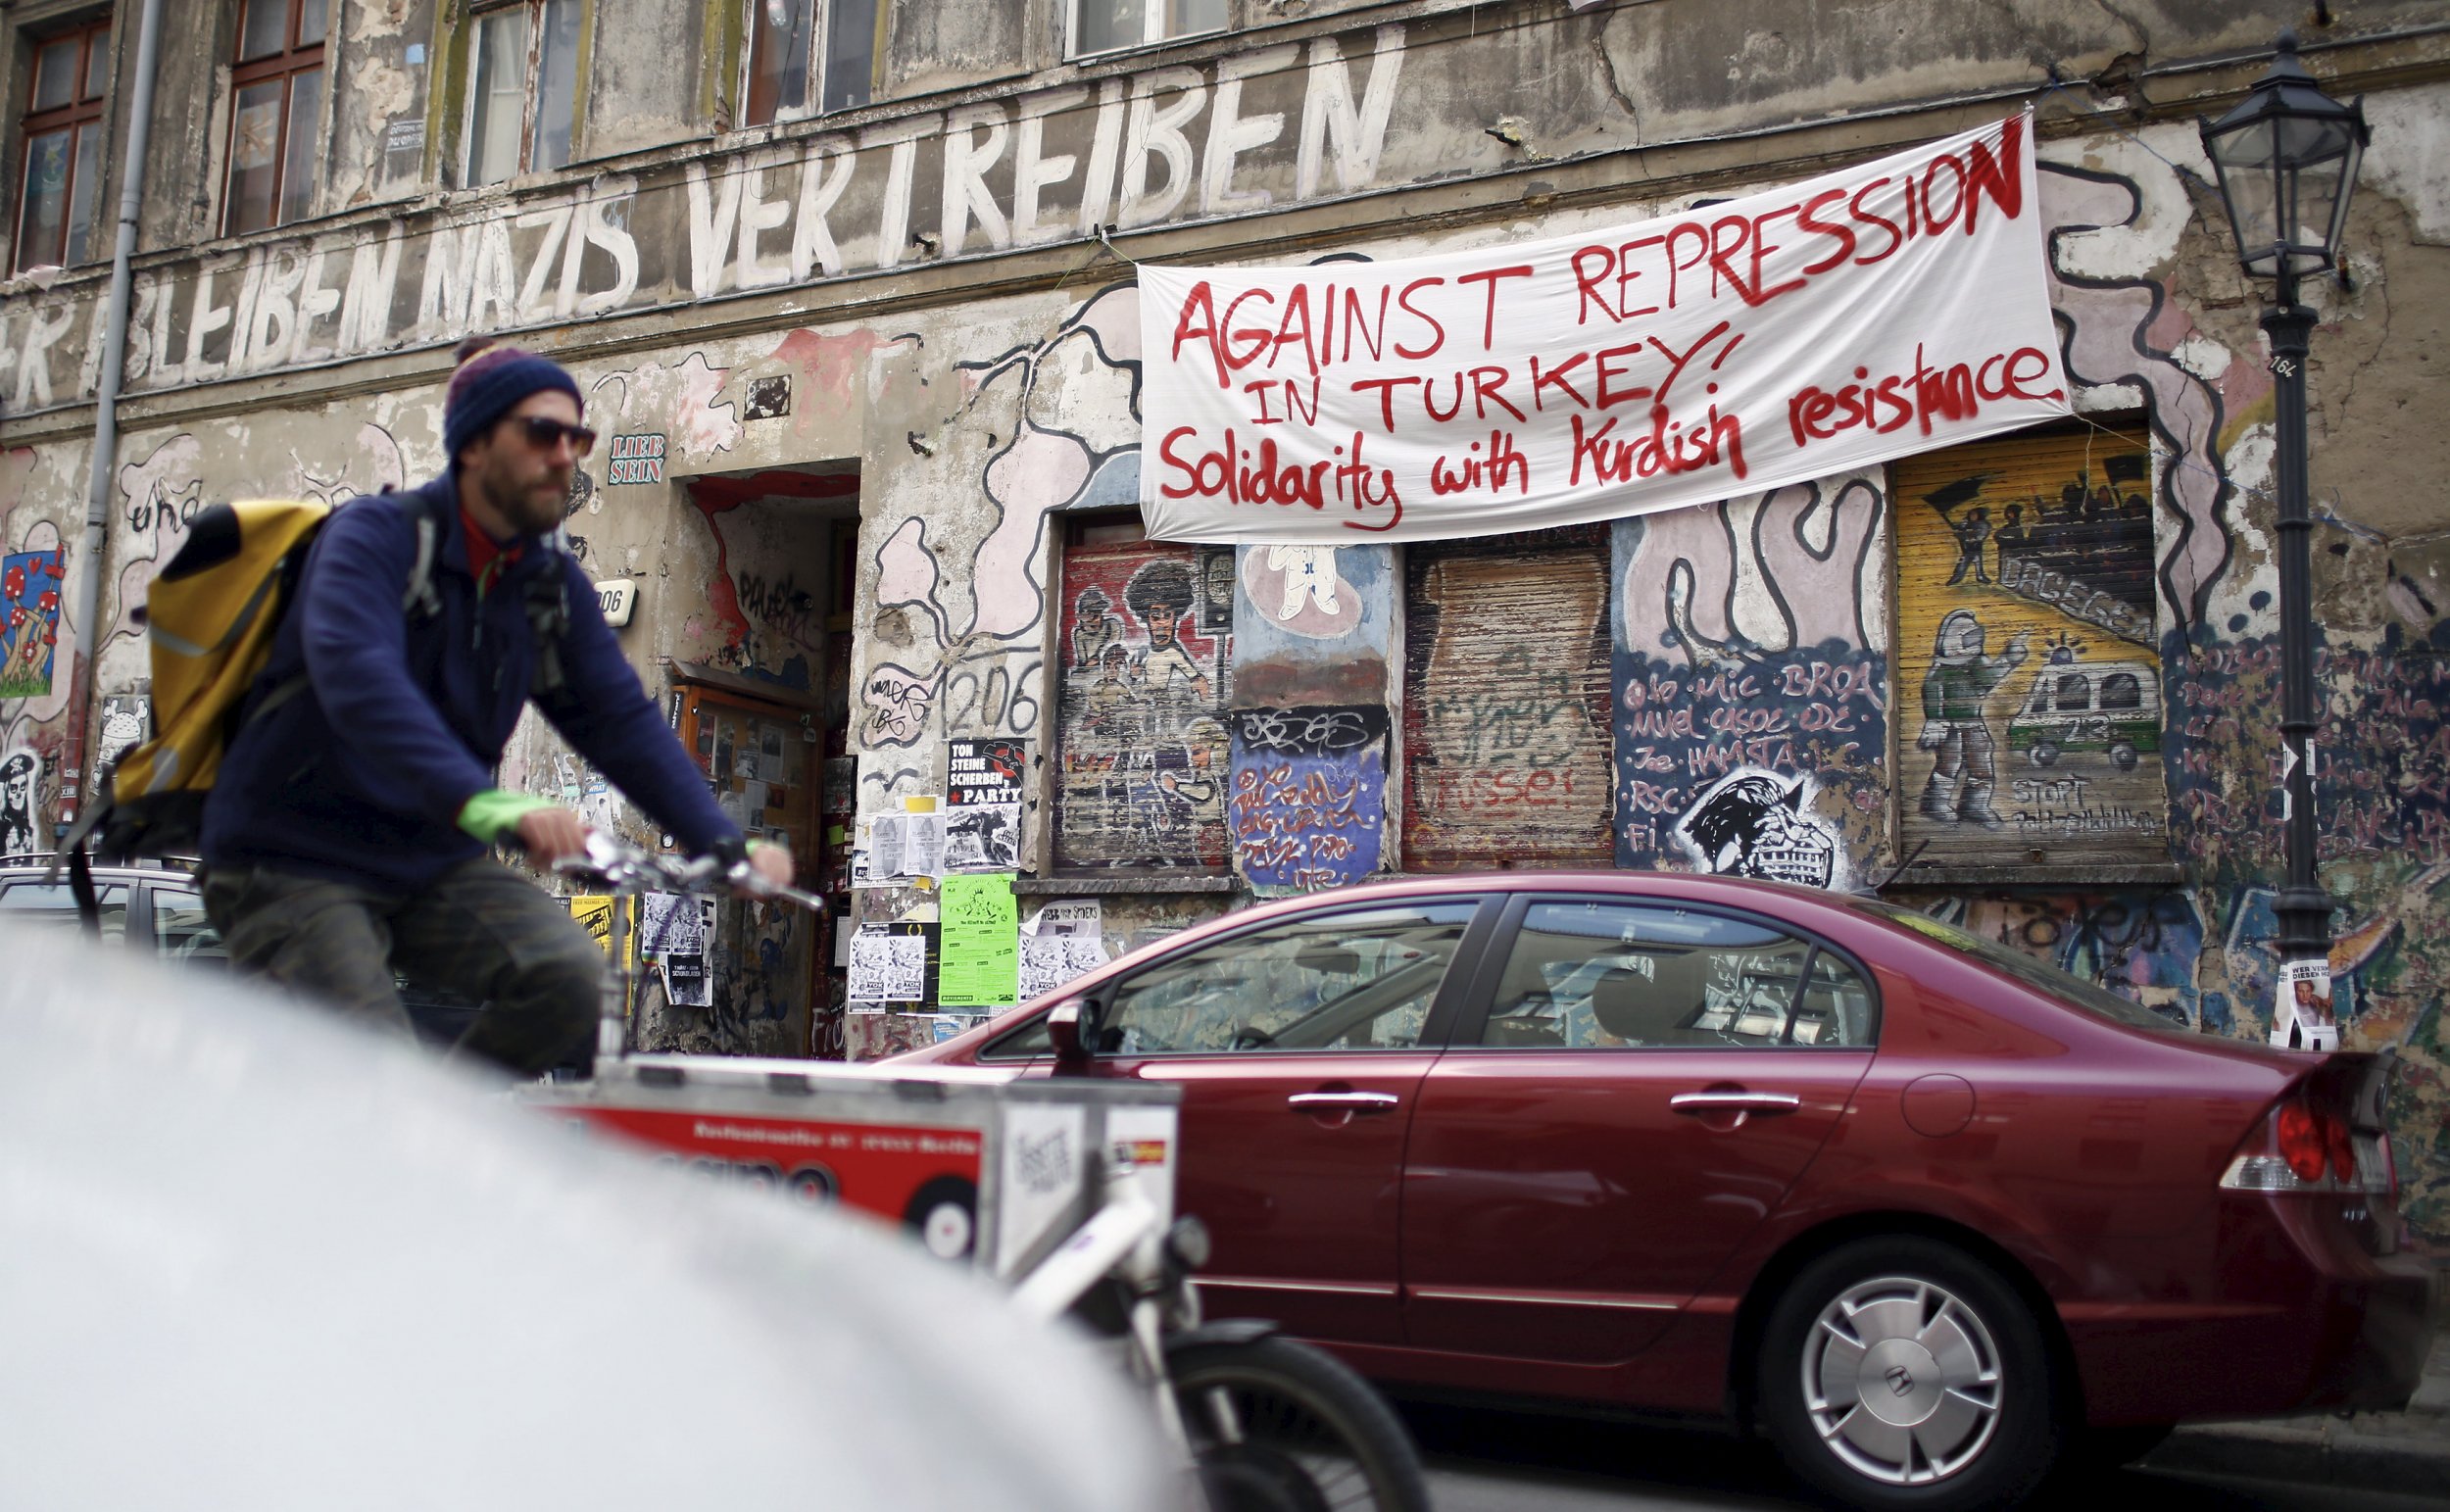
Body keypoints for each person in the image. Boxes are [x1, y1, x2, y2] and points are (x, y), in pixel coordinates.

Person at [200, 338, 790, 1076]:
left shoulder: (546, 589)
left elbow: (622, 724)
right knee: (362, 1060)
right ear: (474, 443)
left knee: (574, 990)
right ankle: (372, 1136)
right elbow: (362, 687)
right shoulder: (374, 541)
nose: (564, 455)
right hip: (292, 854)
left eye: (577, 437)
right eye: (542, 433)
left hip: (424, 860)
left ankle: (432, 1132)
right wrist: (495, 809)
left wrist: (722, 844)